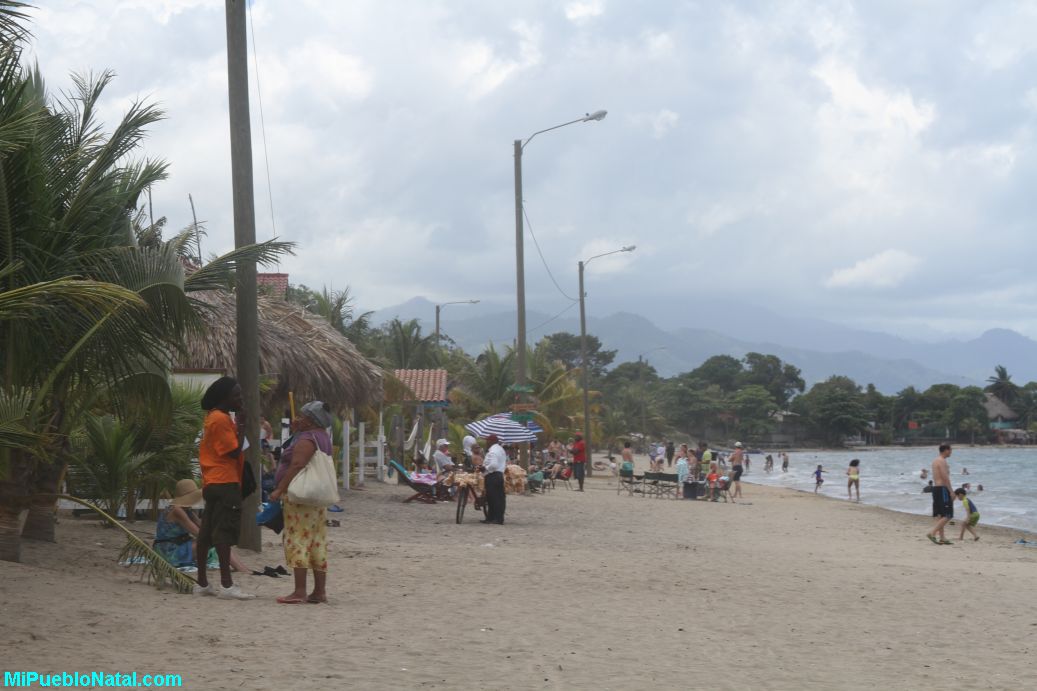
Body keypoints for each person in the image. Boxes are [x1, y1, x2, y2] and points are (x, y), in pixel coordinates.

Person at [194, 377, 254, 600]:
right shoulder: (220, 419)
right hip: (225, 481)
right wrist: (242, 426)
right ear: (224, 397)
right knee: (223, 533)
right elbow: (232, 452)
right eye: (236, 395)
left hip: (213, 480)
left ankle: (202, 583)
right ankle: (227, 585)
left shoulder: (212, 417)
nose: (240, 399)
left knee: (207, 532)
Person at [269, 400, 334, 604]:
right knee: (316, 540)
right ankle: (319, 591)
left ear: (310, 420)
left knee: (298, 538)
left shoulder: (307, 438)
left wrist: (279, 489)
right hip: (315, 500)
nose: (298, 419)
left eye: (302, 416)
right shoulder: (322, 436)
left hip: (300, 497)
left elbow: (297, 464)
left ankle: (299, 591)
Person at [926, 444, 955, 545]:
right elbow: (944, 477)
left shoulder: (936, 460)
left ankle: (942, 537)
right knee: (948, 514)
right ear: (946, 450)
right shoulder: (941, 461)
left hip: (936, 488)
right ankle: (932, 533)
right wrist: (951, 491)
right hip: (942, 488)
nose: (951, 452)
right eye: (950, 450)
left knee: (941, 515)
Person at [482, 434, 506, 524]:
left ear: (491, 441)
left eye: (487, 441)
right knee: (498, 498)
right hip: (499, 475)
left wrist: (485, 468)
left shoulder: (493, 451)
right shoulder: (500, 449)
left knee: (493, 498)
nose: (486, 443)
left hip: (492, 475)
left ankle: (496, 518)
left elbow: (494, 465)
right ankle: (493, 517)